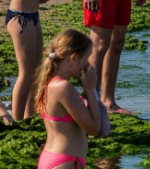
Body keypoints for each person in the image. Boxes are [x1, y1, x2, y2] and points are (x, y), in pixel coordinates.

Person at [36, 30, 108, 169]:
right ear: (74, 58)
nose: (86, 65)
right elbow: (93, 128)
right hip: (63, 161)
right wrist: (90, 88)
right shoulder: (63, 87)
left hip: (61, 158)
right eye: (86, 58)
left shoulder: (53, 83)